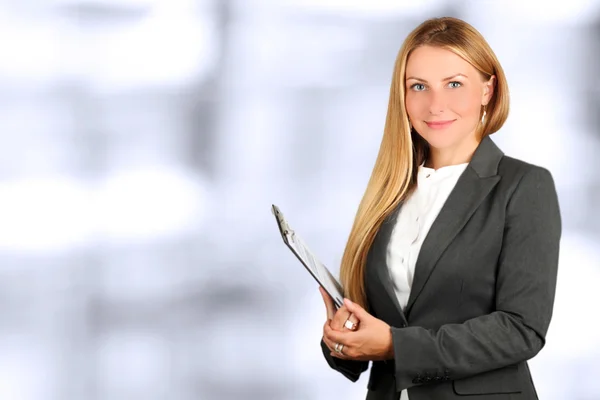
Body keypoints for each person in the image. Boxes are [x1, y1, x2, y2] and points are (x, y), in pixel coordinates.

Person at [318, 16, 561, 400]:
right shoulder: (391, 189)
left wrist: (396, 346)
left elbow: (522, 330)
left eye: (454, 84)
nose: (435, 105)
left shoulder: (524, 186)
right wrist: (343, 338)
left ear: (487, 89)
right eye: (419, 86)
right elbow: (383, 328)